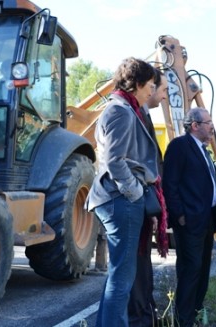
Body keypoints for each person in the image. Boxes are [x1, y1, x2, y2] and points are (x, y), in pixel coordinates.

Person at [85, 57, 160, 326]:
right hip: (120, 200)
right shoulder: (121, 111)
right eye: (150, 85)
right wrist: (136, 192)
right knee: (122, 279)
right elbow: (114, 161)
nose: (152, 91)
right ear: (137, 84)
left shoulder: (124, 108)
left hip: (117, 199)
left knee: (119, 276)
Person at [162, 108, 216, 327]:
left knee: (202, 271)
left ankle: (194, 315)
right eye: (208, 122)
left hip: (207, 221)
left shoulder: (204, 150)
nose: (212, 126)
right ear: (195, 125)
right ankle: (182, 321)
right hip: (189, 222)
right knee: (190, 271)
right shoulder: (180, 146)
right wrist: (179, 216)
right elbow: (170, 184)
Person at [128, 69, 169, 327]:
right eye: (161, 89)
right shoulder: (127, 112)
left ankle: (145, 315)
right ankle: (137, 318)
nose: (161, 95)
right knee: (132, 270)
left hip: (144, 201)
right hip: (134, 202)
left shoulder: (143, 113)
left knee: (142, 266)